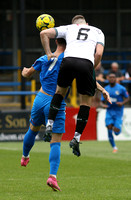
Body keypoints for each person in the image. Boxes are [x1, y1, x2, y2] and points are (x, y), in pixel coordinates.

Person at [40, 15, 111, 157]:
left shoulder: (68, 28)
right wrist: (92, 67)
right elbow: (99, 53)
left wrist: (49, 53)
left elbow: (44, 33)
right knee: (85, 102)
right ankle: (76, 138)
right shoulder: (97, 31)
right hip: (86, 63)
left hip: (68, 61)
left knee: (59, 92)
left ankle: (49, 124)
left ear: (74, 24)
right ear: (87, 23)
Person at [21, 38, 66, 191]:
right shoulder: (69, 60)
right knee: (56, 141)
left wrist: (24, 70)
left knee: (32, 130)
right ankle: (52, 176)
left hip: (40, 98)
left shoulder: (43, 58)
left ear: (56, 42)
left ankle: (25, 156)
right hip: (56, 101)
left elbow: (27, 74)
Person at [101, 73, 129, 153]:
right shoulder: (105, 89)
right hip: (109, 111)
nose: (112, 79)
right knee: (109, 127)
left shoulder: (121, 88)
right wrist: (103, 105)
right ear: (108, 78)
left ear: (116, 78)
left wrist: (122, 103)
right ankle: (114, 147)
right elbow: (102, 101)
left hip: (118, 112)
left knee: (116, 131)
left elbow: (127, 98)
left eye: (113, 77)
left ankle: (116, 128)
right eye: (110, 77)